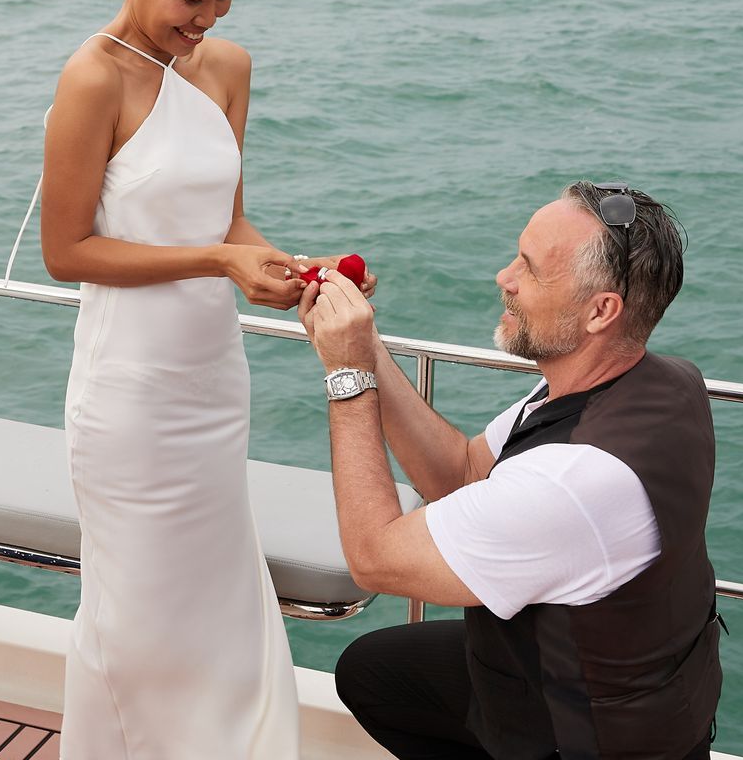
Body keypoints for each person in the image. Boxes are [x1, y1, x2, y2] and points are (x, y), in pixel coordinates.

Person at [39, 0, 371, 758]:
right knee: (140, 619)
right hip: (128, 397)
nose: (209, 18)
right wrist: (219, 262)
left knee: (220, 611)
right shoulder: (92, 79)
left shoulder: (227, 68)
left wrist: (296, 270)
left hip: (212, 385)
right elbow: (67, 251)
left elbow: (227, 219)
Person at [304, 181, 721, 760]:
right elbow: (463, 472)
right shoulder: (660, 381)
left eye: (530, 268)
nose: (505, 277)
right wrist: (365, 344)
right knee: (374, 673)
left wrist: (346, 376)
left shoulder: (574, 481)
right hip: (630, 688)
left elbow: (375, 559)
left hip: (590, 738)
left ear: (601, 311)